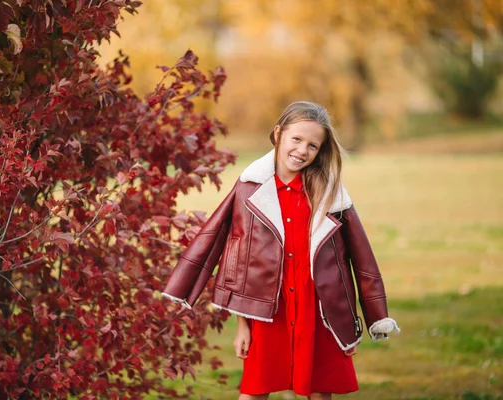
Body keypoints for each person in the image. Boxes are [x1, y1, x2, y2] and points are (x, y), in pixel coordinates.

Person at [162, 101, 399, 400]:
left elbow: (361, 257)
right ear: (278, 134)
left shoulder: (330, 195)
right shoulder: (250, 188)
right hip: (268, 309)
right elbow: (238, 260)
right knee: (254, 392)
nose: (302, 150)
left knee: (318, 391)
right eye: (296, 139)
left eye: (313, 145)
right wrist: (243, 326)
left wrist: (357, 319)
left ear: (320, 151)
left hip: (318, 311)